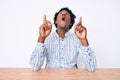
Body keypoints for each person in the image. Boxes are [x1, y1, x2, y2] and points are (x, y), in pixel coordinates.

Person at [30, 7, 97, 72]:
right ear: (56, 21)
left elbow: (92, 67)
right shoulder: (46, 38)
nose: (63, 15)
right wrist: (41, 38)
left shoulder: (77, 39)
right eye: (61, 14)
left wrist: (84, 40)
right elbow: (34, 66)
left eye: (66, 14)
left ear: (70, 22)